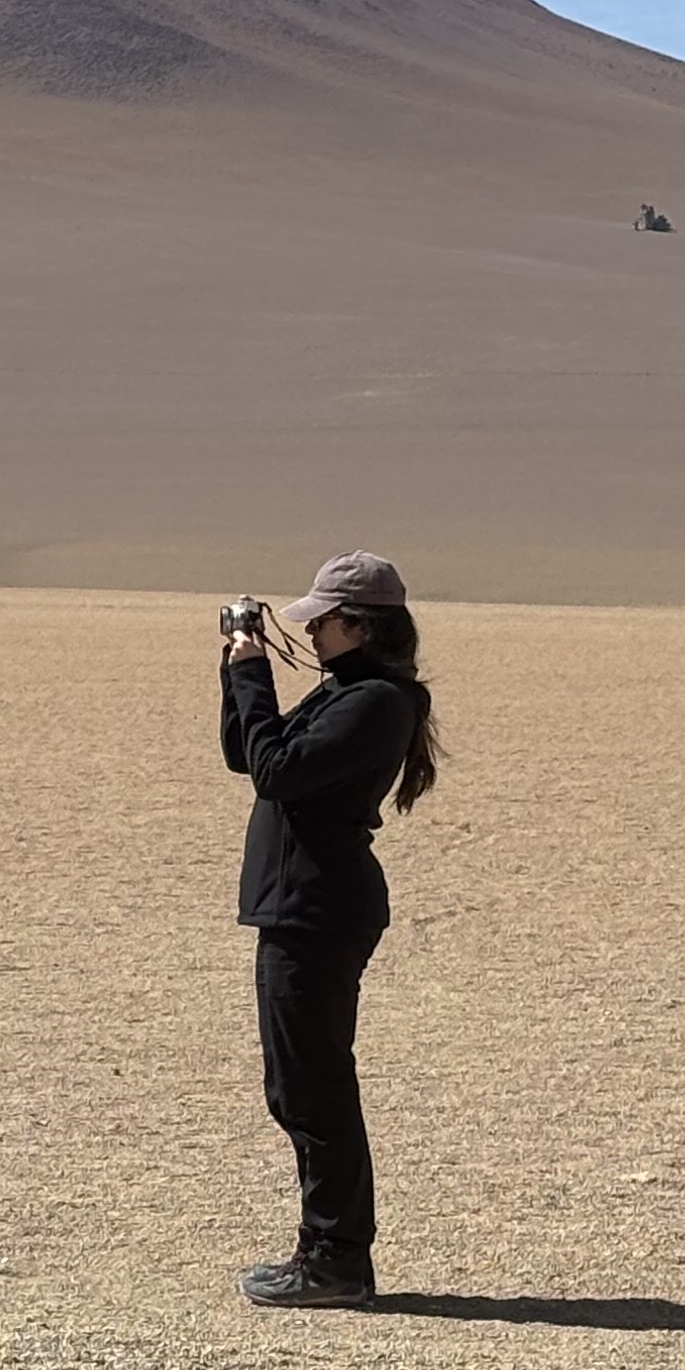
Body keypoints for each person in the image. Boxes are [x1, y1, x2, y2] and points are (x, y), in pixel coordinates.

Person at [218, 553, 439, 1311]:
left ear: (361, 624)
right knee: (297, 1084)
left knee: (314, 1087)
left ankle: (337, 1257)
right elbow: (248, 755)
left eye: (323, 618)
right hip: (300, 906)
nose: (309, 628)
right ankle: (326, 1252)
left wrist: (255, 678)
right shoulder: (347, 692)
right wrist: (239, 667)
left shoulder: (375, 702)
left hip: (320, 910)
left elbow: (278, 770)